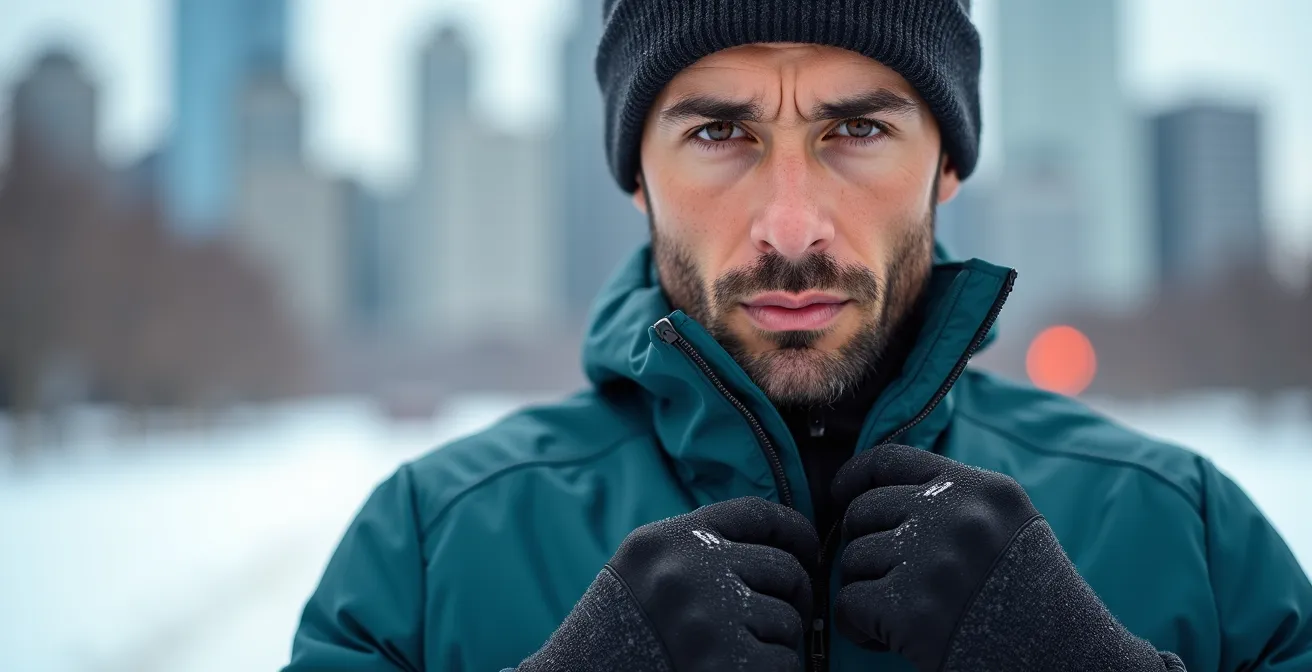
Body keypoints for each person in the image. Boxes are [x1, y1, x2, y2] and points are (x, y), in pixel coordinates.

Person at [285, 0, 1312, 670]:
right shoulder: (430, 548)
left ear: (946, 166)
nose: (790, 225)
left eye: (855, 130)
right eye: (719, 133)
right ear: (636, 177)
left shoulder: (1187, 534)